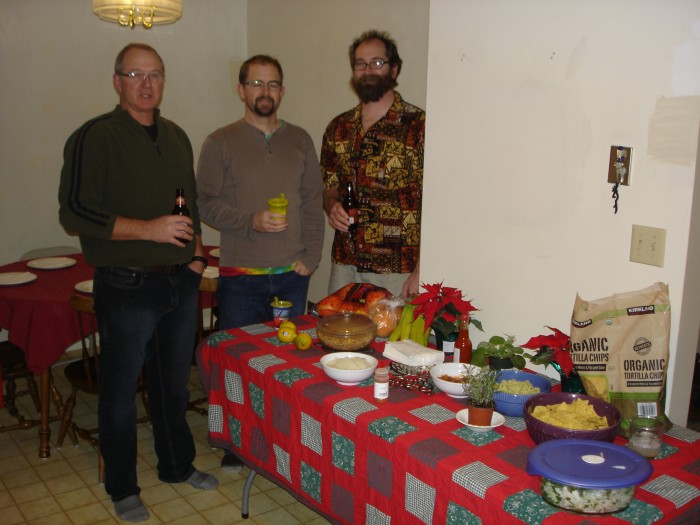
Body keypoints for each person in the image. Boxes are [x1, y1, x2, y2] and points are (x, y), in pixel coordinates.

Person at [58, 43, 217, 523]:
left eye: (155, 75)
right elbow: (75, 213)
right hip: (126, 287)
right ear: (117, 81)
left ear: (164, 81)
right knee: (120, 392)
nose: (146, 84)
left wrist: (195, 259)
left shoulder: (176, 136)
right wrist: (150, 228)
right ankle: (123, 487)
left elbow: (187, 204)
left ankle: (176, 465)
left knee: (172, 386)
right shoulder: (94, 136)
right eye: (135, 74)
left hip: (178, 284)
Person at [196, 55, 324, 471]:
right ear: (241, 89)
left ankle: (279, 440)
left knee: (286, 367)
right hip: (241, 277)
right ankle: (238, 443)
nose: (264, 92)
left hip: (292, 276)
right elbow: (206, 205)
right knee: (239, 364)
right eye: (256, 83)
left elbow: (312, 202)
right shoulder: (220, 142)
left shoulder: (301, 140)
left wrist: (311, 257)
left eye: (273, 84)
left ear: (282, 91)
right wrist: (250, 221)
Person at [321, 30, 425, 298]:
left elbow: (437, 204)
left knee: (392, 341)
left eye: (377, 62)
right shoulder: (339, 127)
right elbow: (329, 186)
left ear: (394, 69)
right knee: (340, 338)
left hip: (398, 268)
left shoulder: (419, 126)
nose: (368, 70)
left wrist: (421, 269)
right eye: (360, 63)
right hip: (345, 263)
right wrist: (332, 206)